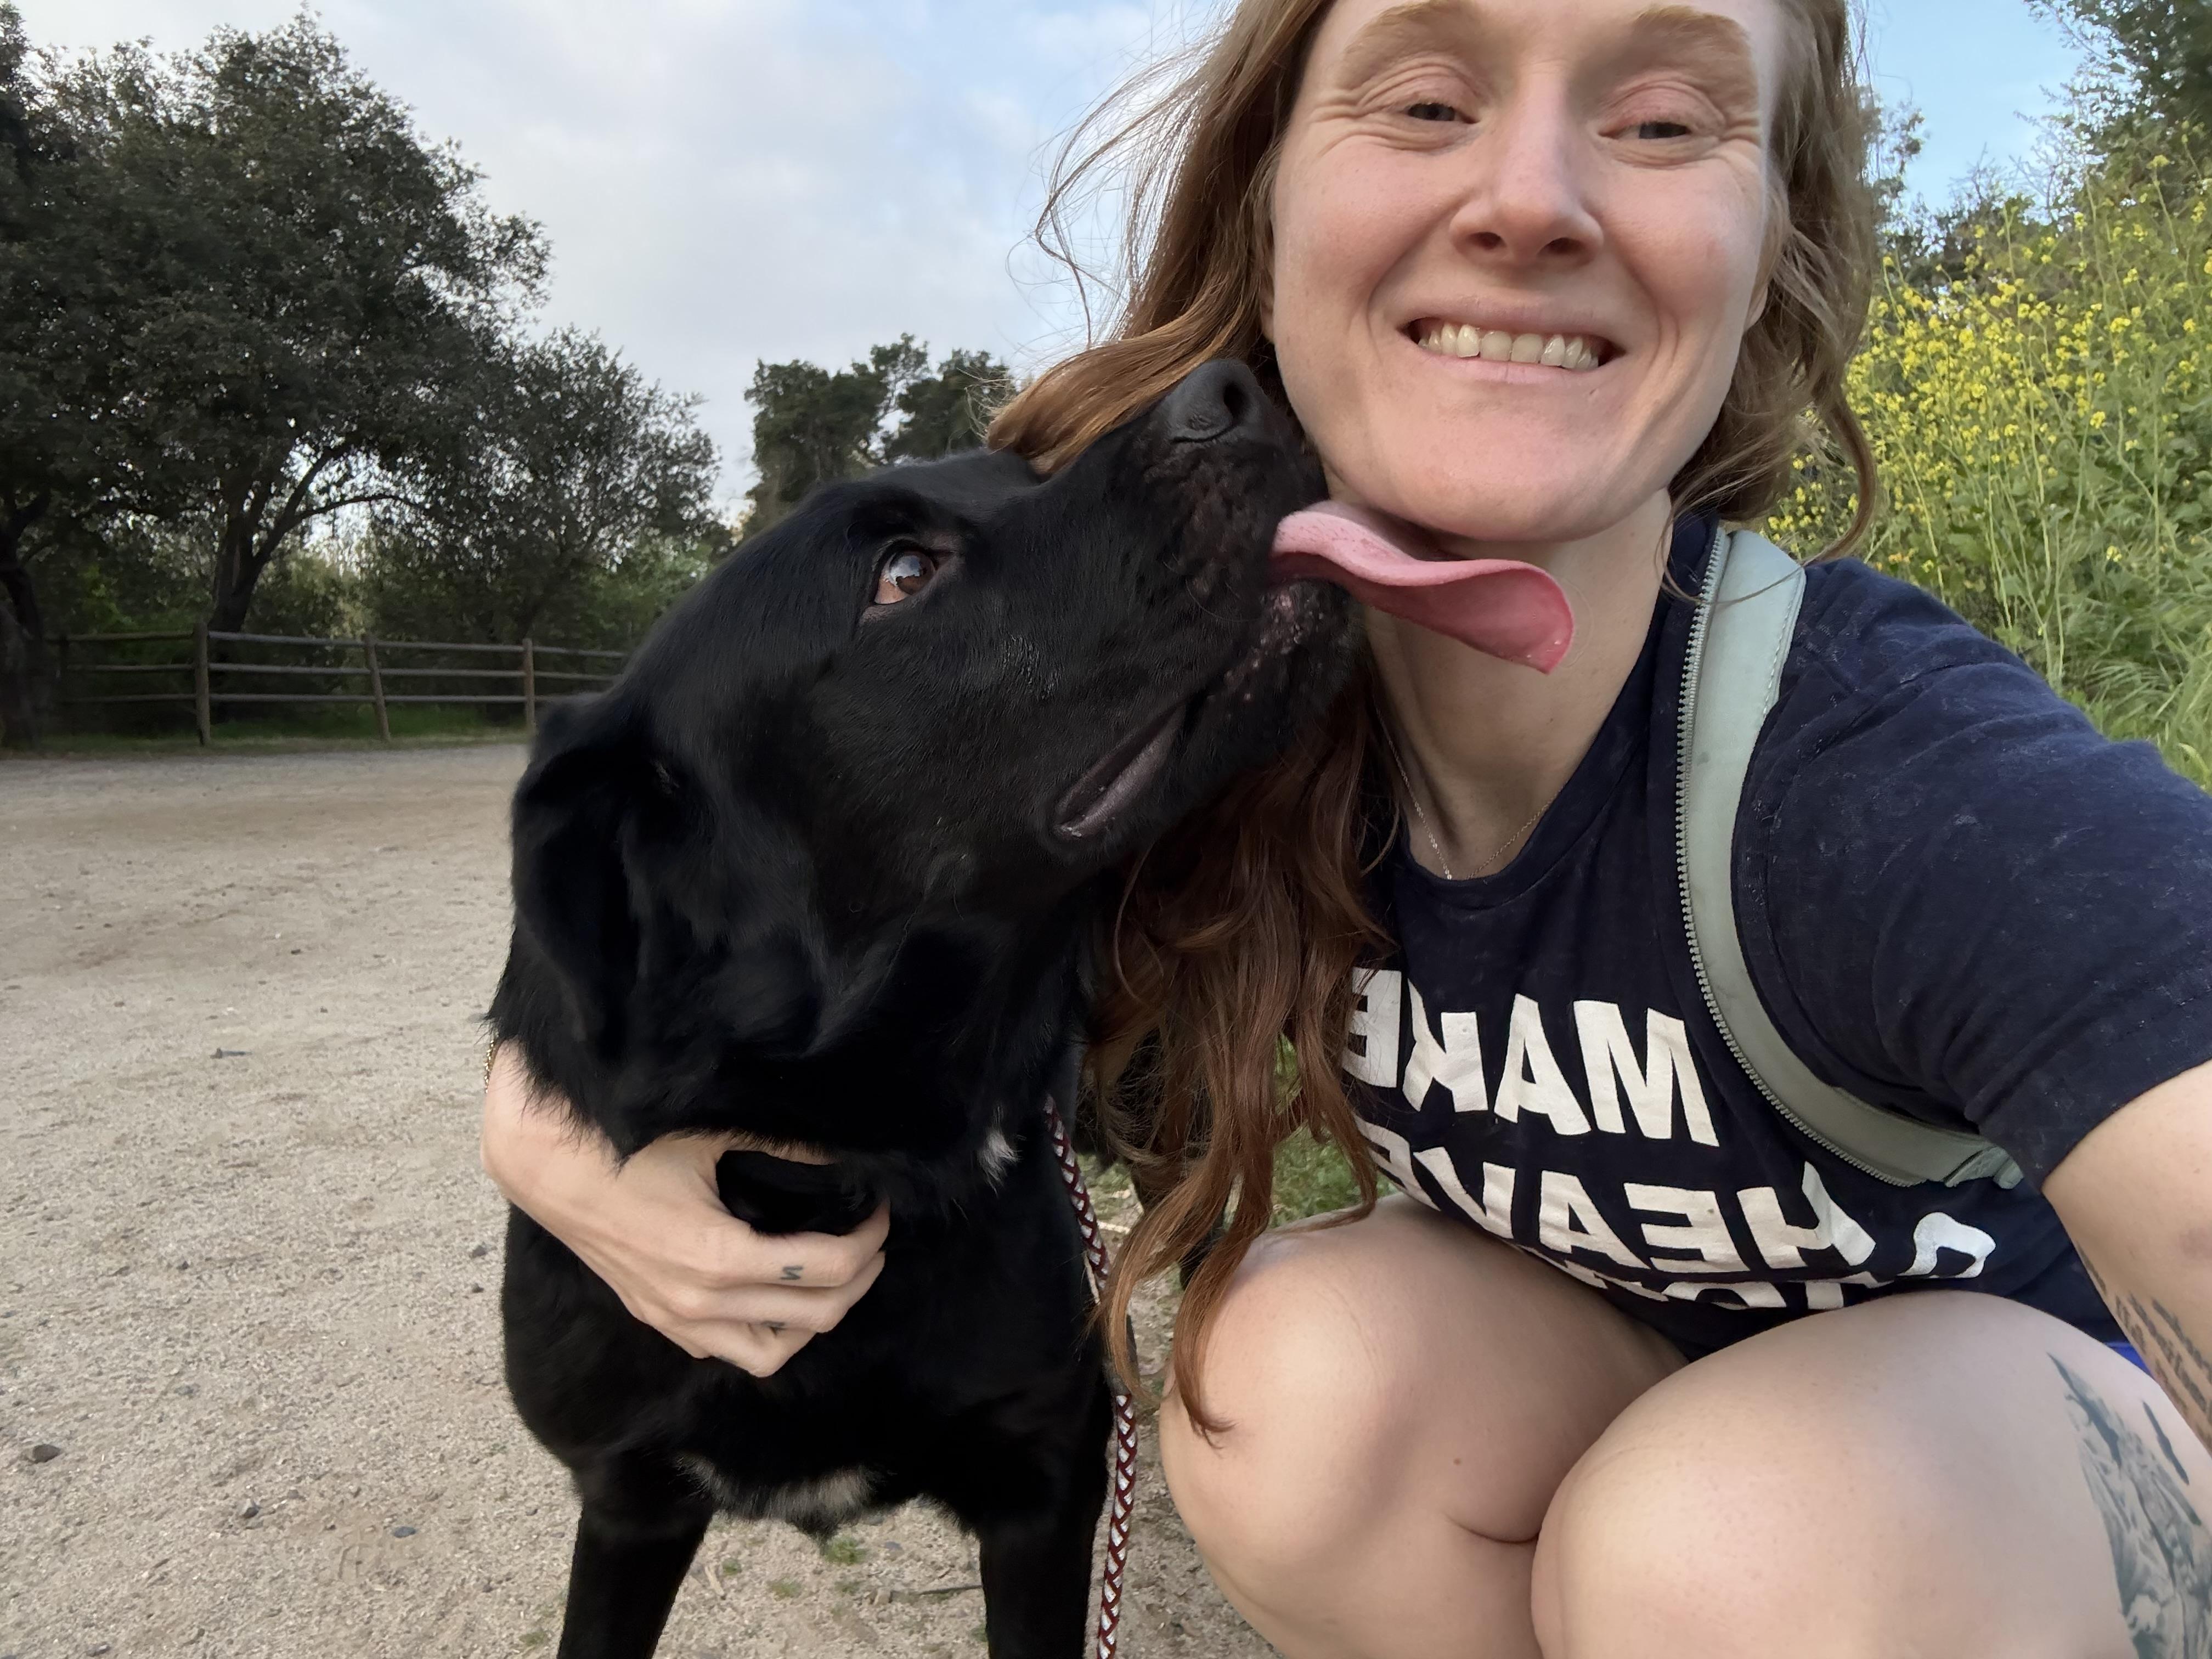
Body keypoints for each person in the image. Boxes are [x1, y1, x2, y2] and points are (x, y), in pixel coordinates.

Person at [481, 0, 2212, 1651]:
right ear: (1271, 197)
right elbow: (768, 825)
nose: (1530, 198)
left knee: (1723, 1551)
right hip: (1629, 1377)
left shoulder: (1878, 773)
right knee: (1285, 1394)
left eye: (1668, 120)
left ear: (1778, 249)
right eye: (1429, 102)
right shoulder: (1181, 684)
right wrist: (558, 1141)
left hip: (2037, 1459)